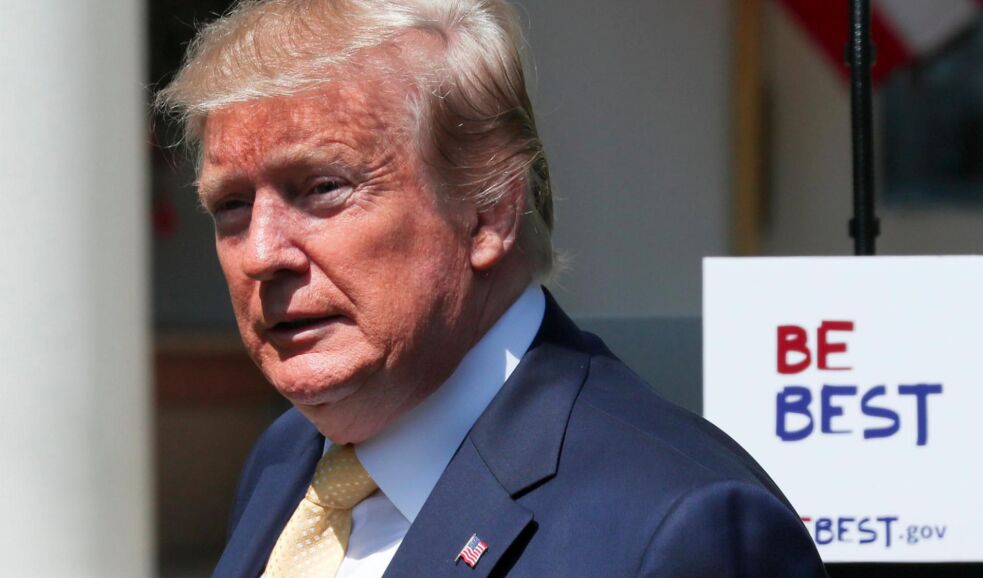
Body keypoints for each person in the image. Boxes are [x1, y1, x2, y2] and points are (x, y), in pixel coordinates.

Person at [157, 1, 827, 576]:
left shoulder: (680, 529)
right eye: (231, 206)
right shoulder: (288, 461)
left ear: (488, 212)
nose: (262, 254)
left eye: (323, 188)